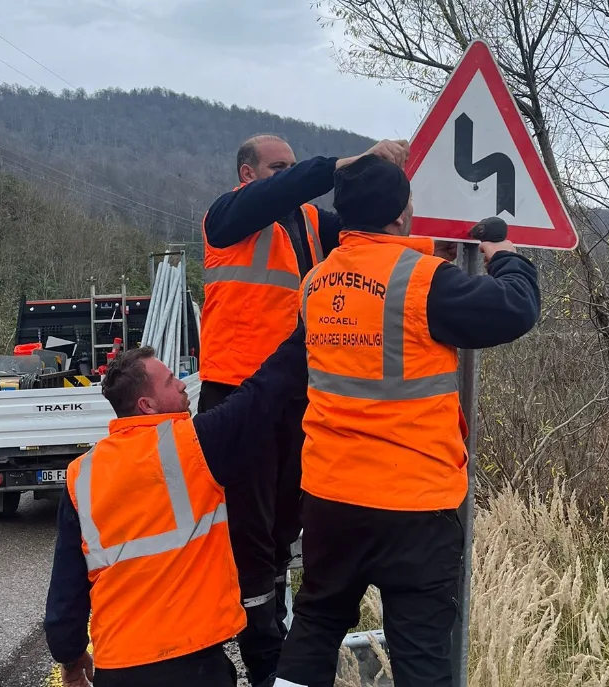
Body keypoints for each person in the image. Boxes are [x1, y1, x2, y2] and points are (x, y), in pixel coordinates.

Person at [272, 155, 542, 687]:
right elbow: (516, 308)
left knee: (317, 624)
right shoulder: (426, 282)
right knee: (420, 655)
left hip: (330, 497)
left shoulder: (315, 285)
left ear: (344, 217)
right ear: (401, 215)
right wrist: (506, 255)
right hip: (413, 504)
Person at [197, 133, 410, 685]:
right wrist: (345, 162)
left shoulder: (316, 226)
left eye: (293, 165)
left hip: (298, 389)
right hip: (238, 394)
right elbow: (290, 188)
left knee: (288, 526)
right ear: (248, 175)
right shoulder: (227, 217)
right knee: (249, 531)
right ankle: (265, 654)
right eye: (278, 167)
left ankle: (281, 632)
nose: (290, 174)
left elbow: (380, 233)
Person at [43, 327, 307, 687]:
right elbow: (264, 392)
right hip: (194, 667)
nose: (183, 385)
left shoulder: (82, 476)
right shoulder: (194, 446)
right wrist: (308, 325)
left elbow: (66, 592)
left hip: (118, 670)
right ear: (146, 405)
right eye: (170, 381)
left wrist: (71, 658)